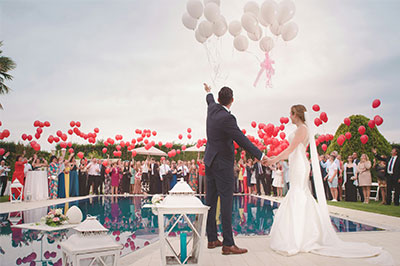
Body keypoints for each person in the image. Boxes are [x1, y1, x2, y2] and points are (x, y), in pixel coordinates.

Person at [267, 104, 382, 259]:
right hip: (297, 162)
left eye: (291, 113)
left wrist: (273, 159)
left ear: (296, 114)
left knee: (299, 193)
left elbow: (290, 149)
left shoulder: (302, 129)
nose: (289, 116)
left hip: (299, 163)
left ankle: (301, 236)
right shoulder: (302, 129)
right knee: (299, 192)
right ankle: (301, 233)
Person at [203, 83, 265, 255]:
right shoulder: (227, 118)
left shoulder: (212, 109)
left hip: (209, 161)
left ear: (217, 99)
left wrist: (208, 91)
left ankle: (212, 238)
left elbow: (208, 100)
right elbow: (242, 139)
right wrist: (260, 155)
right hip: (222, 165)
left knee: (210, 202)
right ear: (232, 100)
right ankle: (228, 243)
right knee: (226, 203)